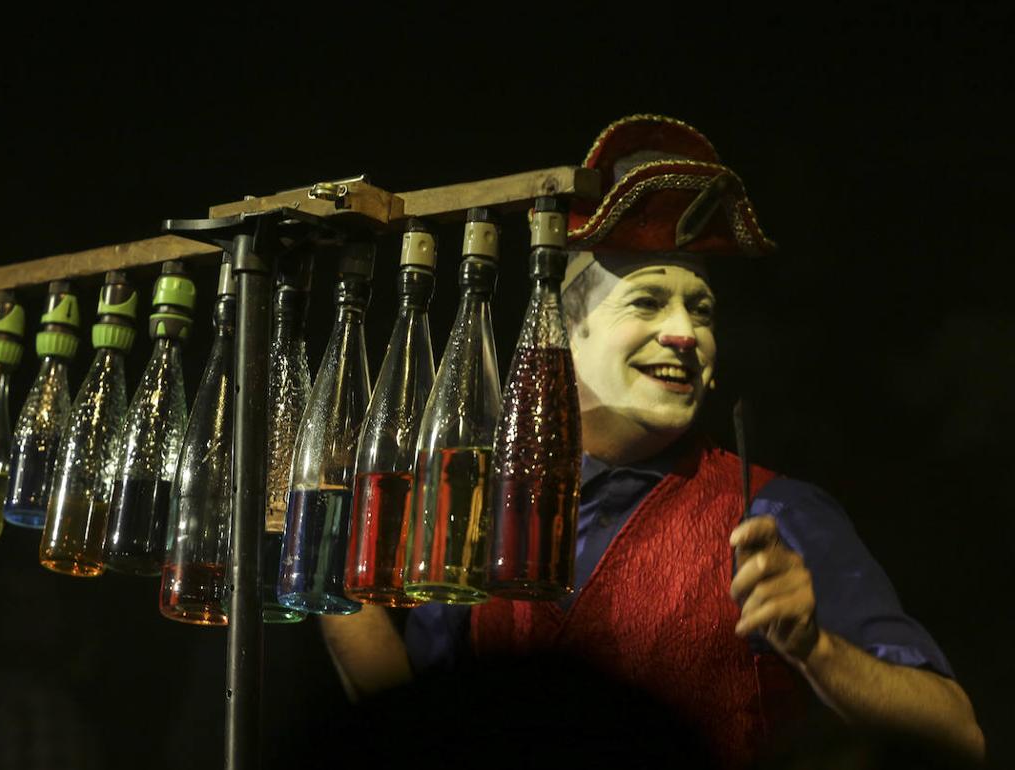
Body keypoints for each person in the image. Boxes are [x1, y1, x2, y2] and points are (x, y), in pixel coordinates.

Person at [317, 114, 984, 767]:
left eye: (703, 310)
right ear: (564, 335)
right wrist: (320, 552)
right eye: (646, 302)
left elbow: (957, 737)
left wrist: (815, 648)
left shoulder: (776, 514)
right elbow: (416, 727)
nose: (686, 334)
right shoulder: (484, 511)